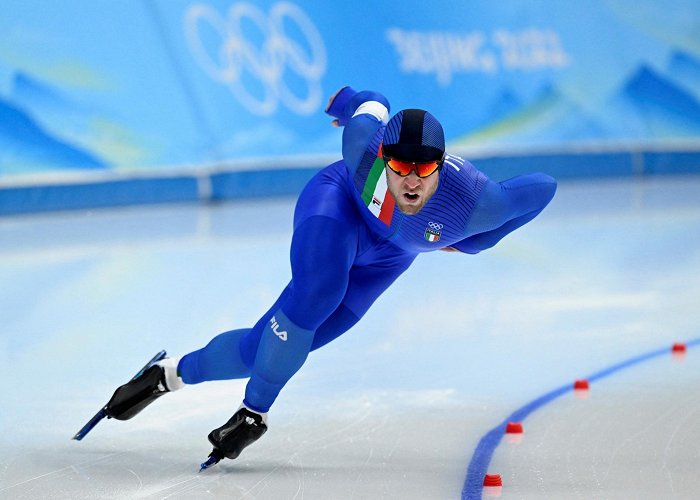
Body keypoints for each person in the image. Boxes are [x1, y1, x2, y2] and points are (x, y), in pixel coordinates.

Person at [100, 87, 557, 465]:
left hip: (391, 256)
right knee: (316, 297)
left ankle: (168, 375)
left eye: (423, 169)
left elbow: (543, 187)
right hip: (336, 207)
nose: (411, 181)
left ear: (441, 164)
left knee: (266, 349)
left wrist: (481, 240)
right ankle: (253, 414)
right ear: (382, 157)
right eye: (399, 167)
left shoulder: (478, 202)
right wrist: (348, 101)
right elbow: (368, 103)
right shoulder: (361, 150)